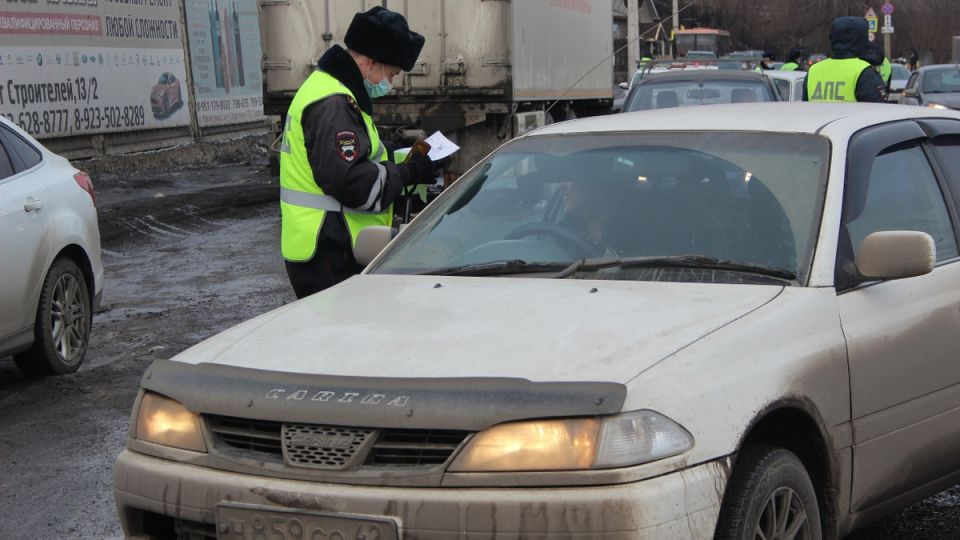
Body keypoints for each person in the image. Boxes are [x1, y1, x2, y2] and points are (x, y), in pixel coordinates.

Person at [279, 7, 439, 299]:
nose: (389, 83)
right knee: (342, 340)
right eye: (391, 73)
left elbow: (360, 157)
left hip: (328, 246)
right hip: (328, 250)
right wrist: (409, 172)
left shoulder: (333, 91)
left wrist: (407, 157)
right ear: (370, 62)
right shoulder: (334, 103)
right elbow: (354, 182)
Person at [803, 16, 886, 102]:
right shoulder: (864, 72)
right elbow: (878, 111)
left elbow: (806, 109)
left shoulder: (814, 71)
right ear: (862, 40)